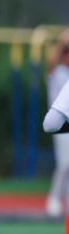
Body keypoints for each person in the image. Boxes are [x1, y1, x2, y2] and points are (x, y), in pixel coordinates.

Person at [45, 32, 69, 216]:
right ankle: (53, 199)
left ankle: (66, 200)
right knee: (64, 163)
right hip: (61, 124)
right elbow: (51, 61)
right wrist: (63, 40)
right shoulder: (58, 71)